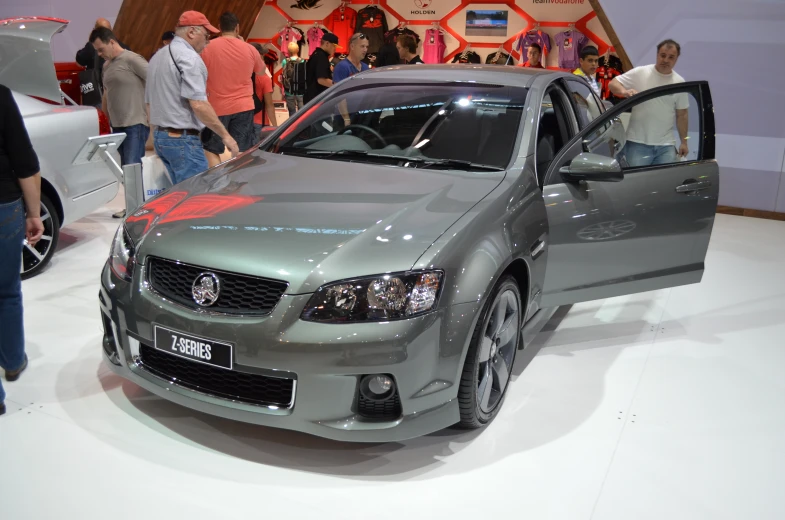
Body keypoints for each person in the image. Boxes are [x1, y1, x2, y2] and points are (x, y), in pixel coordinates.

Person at [145, 11, 238, 185]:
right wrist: (226, 136)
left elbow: (149, 104)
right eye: (206, 35)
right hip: (183, 140)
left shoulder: (157, 57)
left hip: (161, 138)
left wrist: (155, 136)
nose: (208, 41)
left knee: (179, 196)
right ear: (192, 32)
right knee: (195, 200)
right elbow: (199, 104)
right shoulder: (189, 59)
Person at [0, 85, 43, 415]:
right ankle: (13, 361)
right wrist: (33, 214)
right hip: (3, 207)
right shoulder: (0, 95)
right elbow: (25, 162)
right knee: (7, 292)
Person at [90, 27, 149, 219]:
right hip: (118, 125)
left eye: (100, 49)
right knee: (125, 168)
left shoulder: (132, 60)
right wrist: (104, 119)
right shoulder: (107, 66)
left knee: (132, 166)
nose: (99, 54)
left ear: (112, 42)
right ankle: (134, 207)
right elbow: (107, 93)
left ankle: (137, 210)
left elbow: (155, 82)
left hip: (135, 122)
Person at [199, 12, 265, 167]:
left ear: (219, 27)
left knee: (211, 148)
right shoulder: (249, 49)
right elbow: (261, 71)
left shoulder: (207, 48)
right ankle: (238, 184)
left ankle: (216, 183)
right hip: (244, 106)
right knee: (242, 150)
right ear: (237, 27)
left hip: (216, 107)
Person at [609, 39, 690, 166]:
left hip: (666, 146)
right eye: (663, 55)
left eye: (671, 57)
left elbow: (682, 115)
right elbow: (613, 84)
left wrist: (684, 142)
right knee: (637, 183)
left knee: (663, 184)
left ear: (676, 59)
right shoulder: (640, 72)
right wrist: (624, 92)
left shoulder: (679, 82)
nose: (666, 60)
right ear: (657, 55)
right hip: (637, 143)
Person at [250, 43, 278, 136]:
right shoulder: (264, 78)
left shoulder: (242, 76)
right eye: (262, 55)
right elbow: (269, 105)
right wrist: (275, 127)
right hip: (259, 120)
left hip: (243, 121)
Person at [304, 33, 338, 104]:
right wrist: (338, 85)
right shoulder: (321, 57)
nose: (335, 49)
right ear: (327, 43)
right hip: (316, 100)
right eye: (334, 46)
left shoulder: (317, 54)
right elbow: (322, 80)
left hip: (312, 98)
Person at [280, 42, 305, 116]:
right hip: (300, 89)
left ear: (288, 51)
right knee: (302, 112)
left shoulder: (285, 61)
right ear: (298, 50)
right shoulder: (302, 61)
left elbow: (283, 74)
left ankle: (293, 126)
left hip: (289, 89)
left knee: (291, 112)